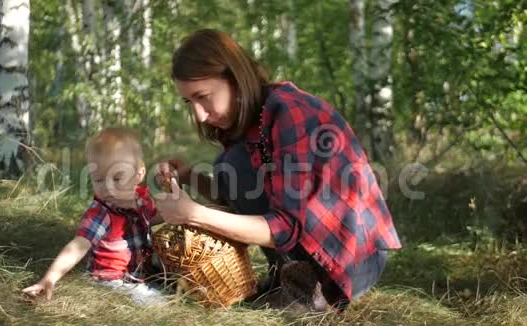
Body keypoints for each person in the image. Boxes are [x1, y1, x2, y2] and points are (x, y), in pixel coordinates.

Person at [154, 29, 402, 312]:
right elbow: (236, 199)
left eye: (204, 96)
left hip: (351, 259)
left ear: (235, 78)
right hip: (306, 249)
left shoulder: (290, 112)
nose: (199, 114)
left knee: (231, 163)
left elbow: (287, 226)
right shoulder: (249, 125)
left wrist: (195, 215)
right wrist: (189, 177)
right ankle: (290, 277)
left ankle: (314, 289)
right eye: (190, 102)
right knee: (228, 164)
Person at [22, 128, 166, 307]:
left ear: (139, 174)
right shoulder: (102, 212)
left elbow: (153, 217)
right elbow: (79, 245)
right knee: (155, 302)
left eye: (117, 178)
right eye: (98, 180)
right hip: (110, 278)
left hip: (138, 271)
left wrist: (186, 214)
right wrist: (49, 278)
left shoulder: (141, 199)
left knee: (167, 277)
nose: (108, 188)